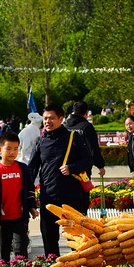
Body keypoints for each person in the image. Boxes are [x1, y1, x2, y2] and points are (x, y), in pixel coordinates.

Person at [28, 103, 92, 257]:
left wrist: (73, 167)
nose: (47, 121)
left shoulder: (73, 137)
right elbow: (31, 171)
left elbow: (88, 159)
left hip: (71, 198)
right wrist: (28, 198)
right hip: (47, 198)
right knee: (49, 241)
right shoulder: (39, 142)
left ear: (61, 119)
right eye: (45, 118)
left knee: (76, 239)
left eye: (51, 118)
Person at [0, 130, 38, 262]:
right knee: (3, 251)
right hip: (2, 219)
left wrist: (32, 207)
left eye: (15, 149)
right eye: (8, 148)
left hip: (20, 218)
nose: (12, 152)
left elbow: (29, 191)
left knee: (21, 251)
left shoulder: (23, 168)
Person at [63, 100, 106, 195]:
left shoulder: (64, 127)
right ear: (86, 113)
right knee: (81, 201)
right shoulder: (86, 127)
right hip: (83, 171)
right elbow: (93, 149)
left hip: (65, 170)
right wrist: (100, 166)